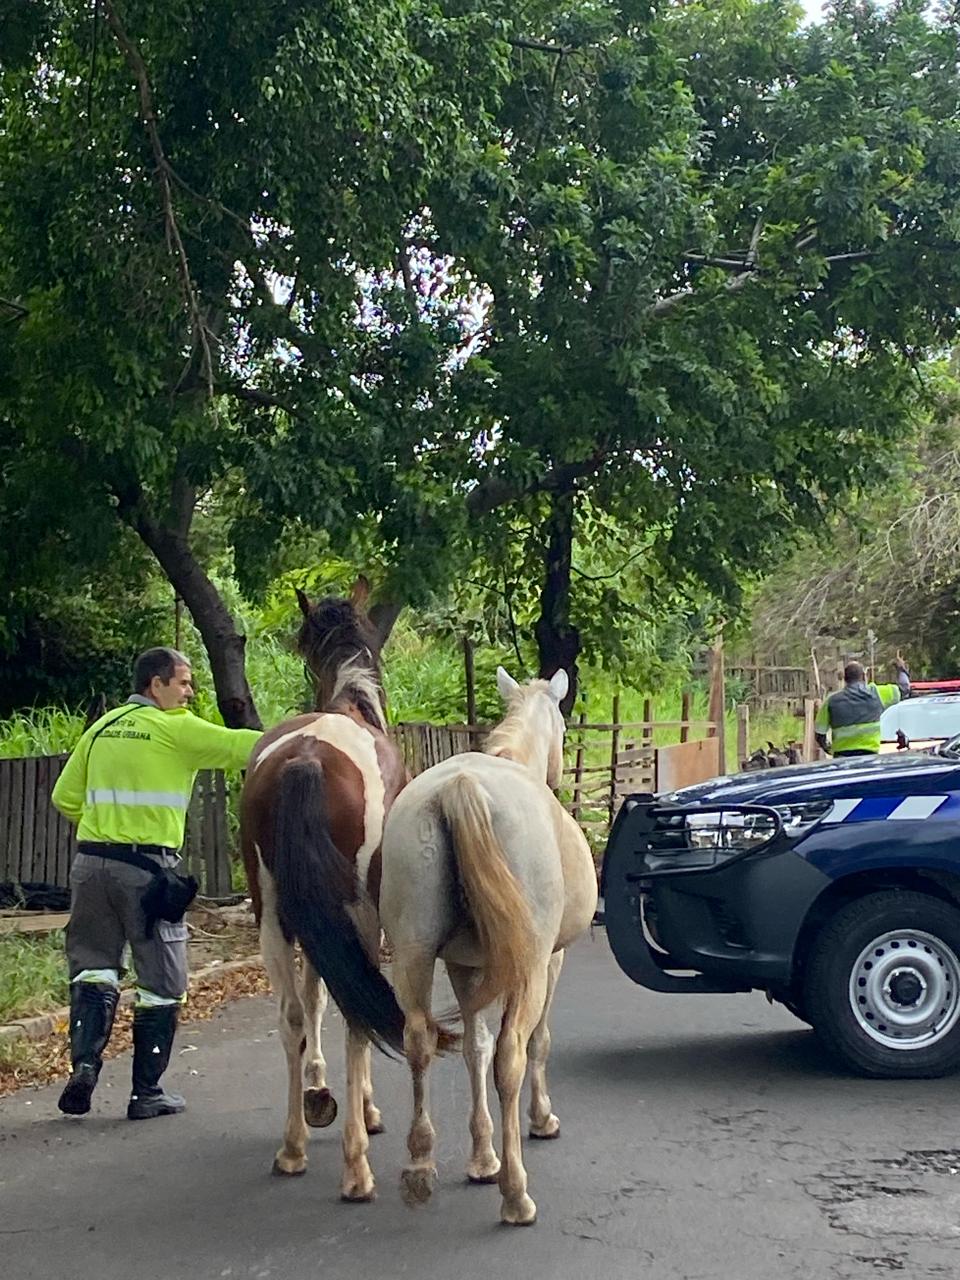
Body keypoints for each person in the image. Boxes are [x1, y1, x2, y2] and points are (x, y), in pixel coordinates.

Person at [51, 648, 262, 1120]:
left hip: (90, 867)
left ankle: (84, 1065)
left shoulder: (101, 728)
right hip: (146, 874)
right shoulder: (177, 728)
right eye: (183, 683)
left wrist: (107, 827)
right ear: (156, 685)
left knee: (93, 970)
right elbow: (245, 747)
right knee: (163, 983)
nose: (189, 692)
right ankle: (145, 1093)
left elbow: (64, 796)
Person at [814, 656, 911, 758]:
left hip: (841, 758)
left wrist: (829, 749)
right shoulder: (877, 694)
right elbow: (904, 688)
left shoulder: (831, 701)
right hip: (870, 756)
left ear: (845, 679)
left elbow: (820, 734)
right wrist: (901, 669)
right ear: (864, 677)